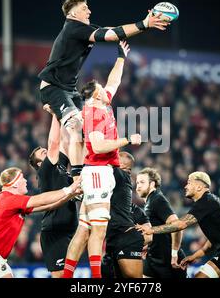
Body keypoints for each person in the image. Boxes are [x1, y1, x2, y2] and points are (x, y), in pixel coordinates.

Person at [37, 0, 169, 182]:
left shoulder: (84, 30)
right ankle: (76, 179)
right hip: (54, 87)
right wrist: (144, 24)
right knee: (75, 126)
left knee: (81, 133)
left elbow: (113, 35)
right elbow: (112, 35)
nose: (89, 11)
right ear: (73, 13)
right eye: (84, 8)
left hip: (68, 89)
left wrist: (121, 57)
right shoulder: (74, 29)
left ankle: (74, 170)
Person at [62, 42, 142, 278]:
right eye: (101, 88)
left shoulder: (101, 104)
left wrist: (120, 57)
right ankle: (96, 279)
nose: (106, 89)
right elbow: (97, 145)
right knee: (98, 229)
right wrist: (127, 139)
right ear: (95, 93)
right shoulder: (94, 111)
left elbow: (114, 81)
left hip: (95, 171)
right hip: (98, 171)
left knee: (84, 229)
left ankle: (67, 276)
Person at [136, 171, 220, 278]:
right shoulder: (208, 203)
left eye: (189, 183)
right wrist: (195, 256)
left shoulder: (206, 201)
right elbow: (213, 240)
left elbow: (180, 225)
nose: (185, 186)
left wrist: (151, 230)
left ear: (199, 187)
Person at [0, 167, 81, 278]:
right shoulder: (9, 200)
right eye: (22, 178)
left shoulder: (10, 200)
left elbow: (48, 206)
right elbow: (41, 199)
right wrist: (69, 189)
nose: (26, 181)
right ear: (15, 184)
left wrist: (71, 195)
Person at [28, 112, 78, 278]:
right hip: (55, 230)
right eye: (43, 153)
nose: (47, 151)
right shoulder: (45, 171)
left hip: (69, 228)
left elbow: (63, 141)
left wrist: (65, 116)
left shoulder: (60, 168)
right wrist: (55, 114)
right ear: (40, 164)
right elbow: (54, 142)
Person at [104, 151, 151, 278]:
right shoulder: (130, 205)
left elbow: (149, 232)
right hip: (113, 240)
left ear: (122, 166)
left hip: (125, 237)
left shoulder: (120, 174)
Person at [135, 168, 187, 278]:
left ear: (152, 184)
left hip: (168, 262)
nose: (138, 186)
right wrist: (148, 244)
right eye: (137, 183)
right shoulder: (149, 201)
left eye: (142, 182)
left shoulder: (157, 199)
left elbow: (177, 225)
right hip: (153, 258)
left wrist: (174, 254)